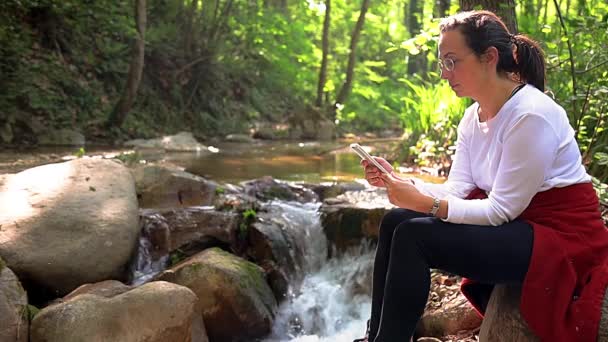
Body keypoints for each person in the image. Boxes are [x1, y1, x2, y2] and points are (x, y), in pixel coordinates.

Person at [354, 10, 608, 342]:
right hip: (518, 225)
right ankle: (377, 335)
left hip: (557, 238)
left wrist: (428, 205)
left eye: (451, 61)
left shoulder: (532, 115)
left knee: (413, 237)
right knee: (394, 222)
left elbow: (500, 210)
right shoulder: (473, 116)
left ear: (489, 57)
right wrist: (400, 183)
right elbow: (457, 188)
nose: (444, 74)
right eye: (442, 63)